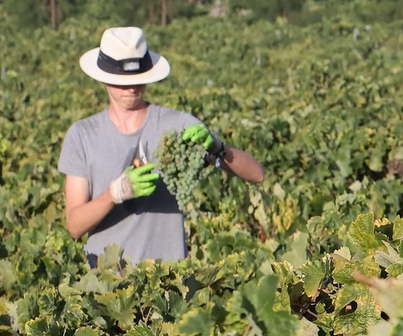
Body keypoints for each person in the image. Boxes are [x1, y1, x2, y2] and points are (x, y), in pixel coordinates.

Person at [59, 26, 265, 264]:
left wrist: (218, 147)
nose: (131, 87)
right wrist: (114, 194)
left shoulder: (178, 126)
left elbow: (257, 175)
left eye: (137, 79)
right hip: (105, 286)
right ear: (104, 78)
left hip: (170, 282)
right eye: (122, 81)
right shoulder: (82, 135)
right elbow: (74, 226)